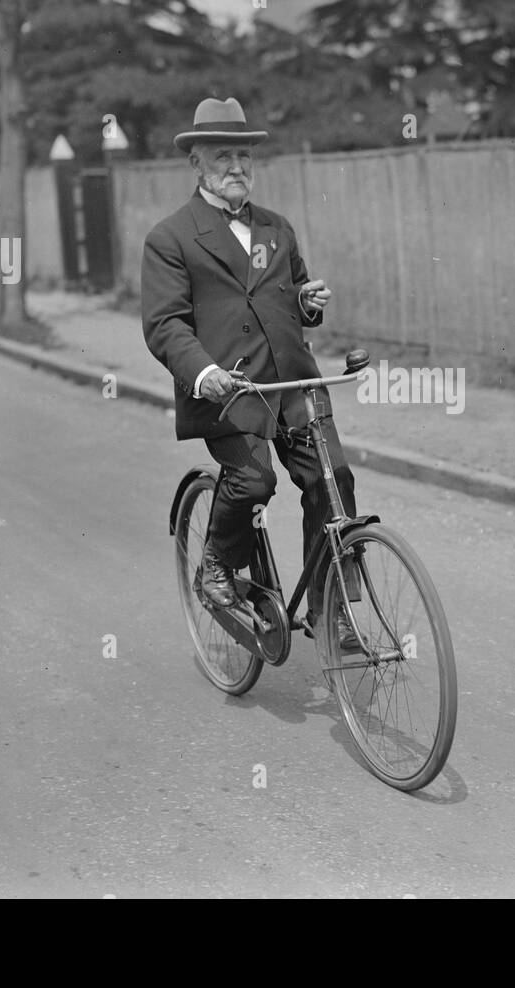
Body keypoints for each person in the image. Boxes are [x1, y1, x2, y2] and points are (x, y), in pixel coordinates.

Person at [141, 97, 359, 645]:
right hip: (230, 392)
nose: (236, 167)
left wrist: (309, 303)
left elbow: (295, 303)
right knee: (254, 479)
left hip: (291, 385)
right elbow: (165, 325)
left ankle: (331, 609)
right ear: (196, 163)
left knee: (333, 479)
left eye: (243, 155)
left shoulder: (276, 229)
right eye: (222, 157)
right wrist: (203, 371)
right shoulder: (169, 239)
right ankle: (215, 566)